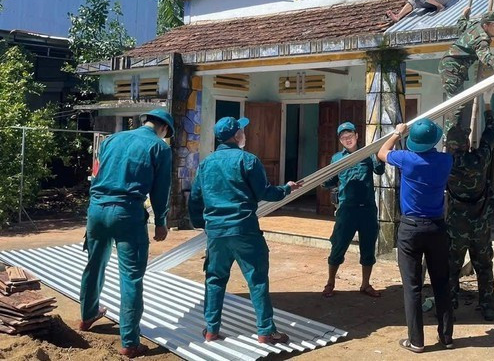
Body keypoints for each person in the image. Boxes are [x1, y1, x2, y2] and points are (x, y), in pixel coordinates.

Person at [188, 116, 303, 345]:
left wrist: (203, 225)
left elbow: (195, 199)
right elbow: (265, 193)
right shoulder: (248, 160)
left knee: (215, 280)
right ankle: (265, 332)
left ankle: (211, 330)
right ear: (236, 135)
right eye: (242, 130)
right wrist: (286, 189)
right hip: (244, 230)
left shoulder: (206, 163)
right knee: (257, 280)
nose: (245, 134)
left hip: (217, 233)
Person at [79, 109, 174, 359]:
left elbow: (98, 172)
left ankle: (87, 315)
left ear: (146, 121)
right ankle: (130, 342)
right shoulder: (160, 148)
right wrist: (161, 222)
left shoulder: (111, 139)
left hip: (97, 209)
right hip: (128, 214)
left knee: (94, 264)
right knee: (131, 277)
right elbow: (161, 190)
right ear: (163, 128)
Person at [378, 119, 454, 353]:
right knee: (441, 284)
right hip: (437, 228)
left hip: (411, 229)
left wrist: (397, 133)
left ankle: (417, 341)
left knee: (412, 287)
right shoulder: (446, 160)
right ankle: (446, 337)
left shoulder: (407, 159)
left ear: (413, 142)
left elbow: (382, 153)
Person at [445, 90, 494, 321]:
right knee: (484, 266)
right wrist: (487, 104)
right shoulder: (480, 159)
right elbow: (491, 134)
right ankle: (487, 306)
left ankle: (450, 304)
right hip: (480, 223)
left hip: (456, 224)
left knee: (451, 268)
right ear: (466, 143)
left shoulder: (444, 164)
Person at [321, 121, 384, 298]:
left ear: (357, 136)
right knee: (338, 246)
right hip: (346, 210)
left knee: (368, 247)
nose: (347, 140)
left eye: (350, 136)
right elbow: (330, 181)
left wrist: (378, 156)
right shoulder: (336, 159)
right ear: (340, 140)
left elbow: (379, 171)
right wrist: (321, 179)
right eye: (343, 137)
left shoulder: (368, 154)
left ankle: (365, 284)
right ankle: (330, 283)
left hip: (367, 209)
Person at [438, 8, 494, 133]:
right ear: (485, 25)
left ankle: (454, 134)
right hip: (452, 68)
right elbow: (485, 56)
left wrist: (463, 15)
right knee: (457, 104)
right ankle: (450, 138)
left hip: (451, 66)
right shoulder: (482, 39)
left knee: (458, 102)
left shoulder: (475, 25)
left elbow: (461, 25)